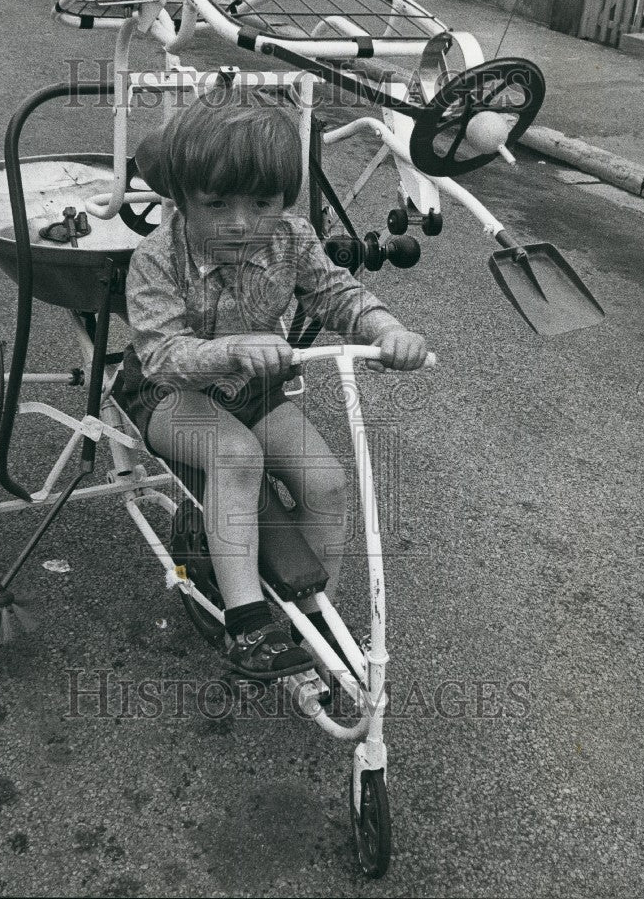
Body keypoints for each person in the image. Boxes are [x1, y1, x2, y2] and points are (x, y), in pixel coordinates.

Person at [119, 96, 427, 680]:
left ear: (284, 202)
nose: (241, 223)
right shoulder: (157, 258)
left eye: (262, 204)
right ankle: (247, 623)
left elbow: (336, 292)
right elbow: (161, 352)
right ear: (181, 199)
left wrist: (387, 329)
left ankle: (314, 613)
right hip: (169, 392)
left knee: (326, 480)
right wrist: (231, 349)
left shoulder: (291, 238)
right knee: (237, 458)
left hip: (253, 389)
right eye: (217, 205)